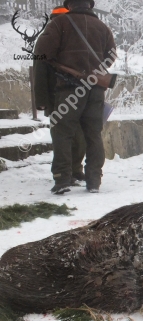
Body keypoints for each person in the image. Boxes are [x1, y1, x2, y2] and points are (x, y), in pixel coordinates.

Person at [34, 0, 116, 194]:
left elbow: (40, 54)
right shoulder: (102, 27)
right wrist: (95, 71)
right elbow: (111, 55)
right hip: (95, 89)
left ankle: (62, 178)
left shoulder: (59, 24)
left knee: (62, 133)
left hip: (69, 89)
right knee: (93, 134)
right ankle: (94, 180)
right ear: (90, 5)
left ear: (69, 5)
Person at [33, 5, 86, 186]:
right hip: (58, 95)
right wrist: (42, 101)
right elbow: (39, 70)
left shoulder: (69, 38)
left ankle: (73, 171)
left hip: (69, 94)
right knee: (67, 136)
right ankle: (66, 173)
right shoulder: (49, 38)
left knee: (73, 136)